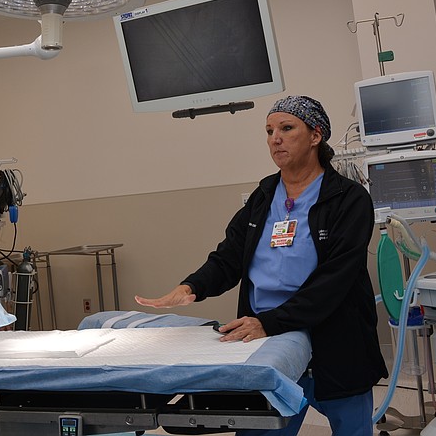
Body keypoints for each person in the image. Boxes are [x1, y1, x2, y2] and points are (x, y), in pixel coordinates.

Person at [135, 95, 388, 436]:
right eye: (269, 131)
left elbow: (335, 279)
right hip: (267, 345)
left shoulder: (349, 199)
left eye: (286, 128)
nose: (275, 138)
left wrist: (269, 322)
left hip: (333, 339)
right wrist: (191, 287)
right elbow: (230, 256)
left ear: (316, 136)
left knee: (351, 428)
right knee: (261, 427)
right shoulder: (263, 196)